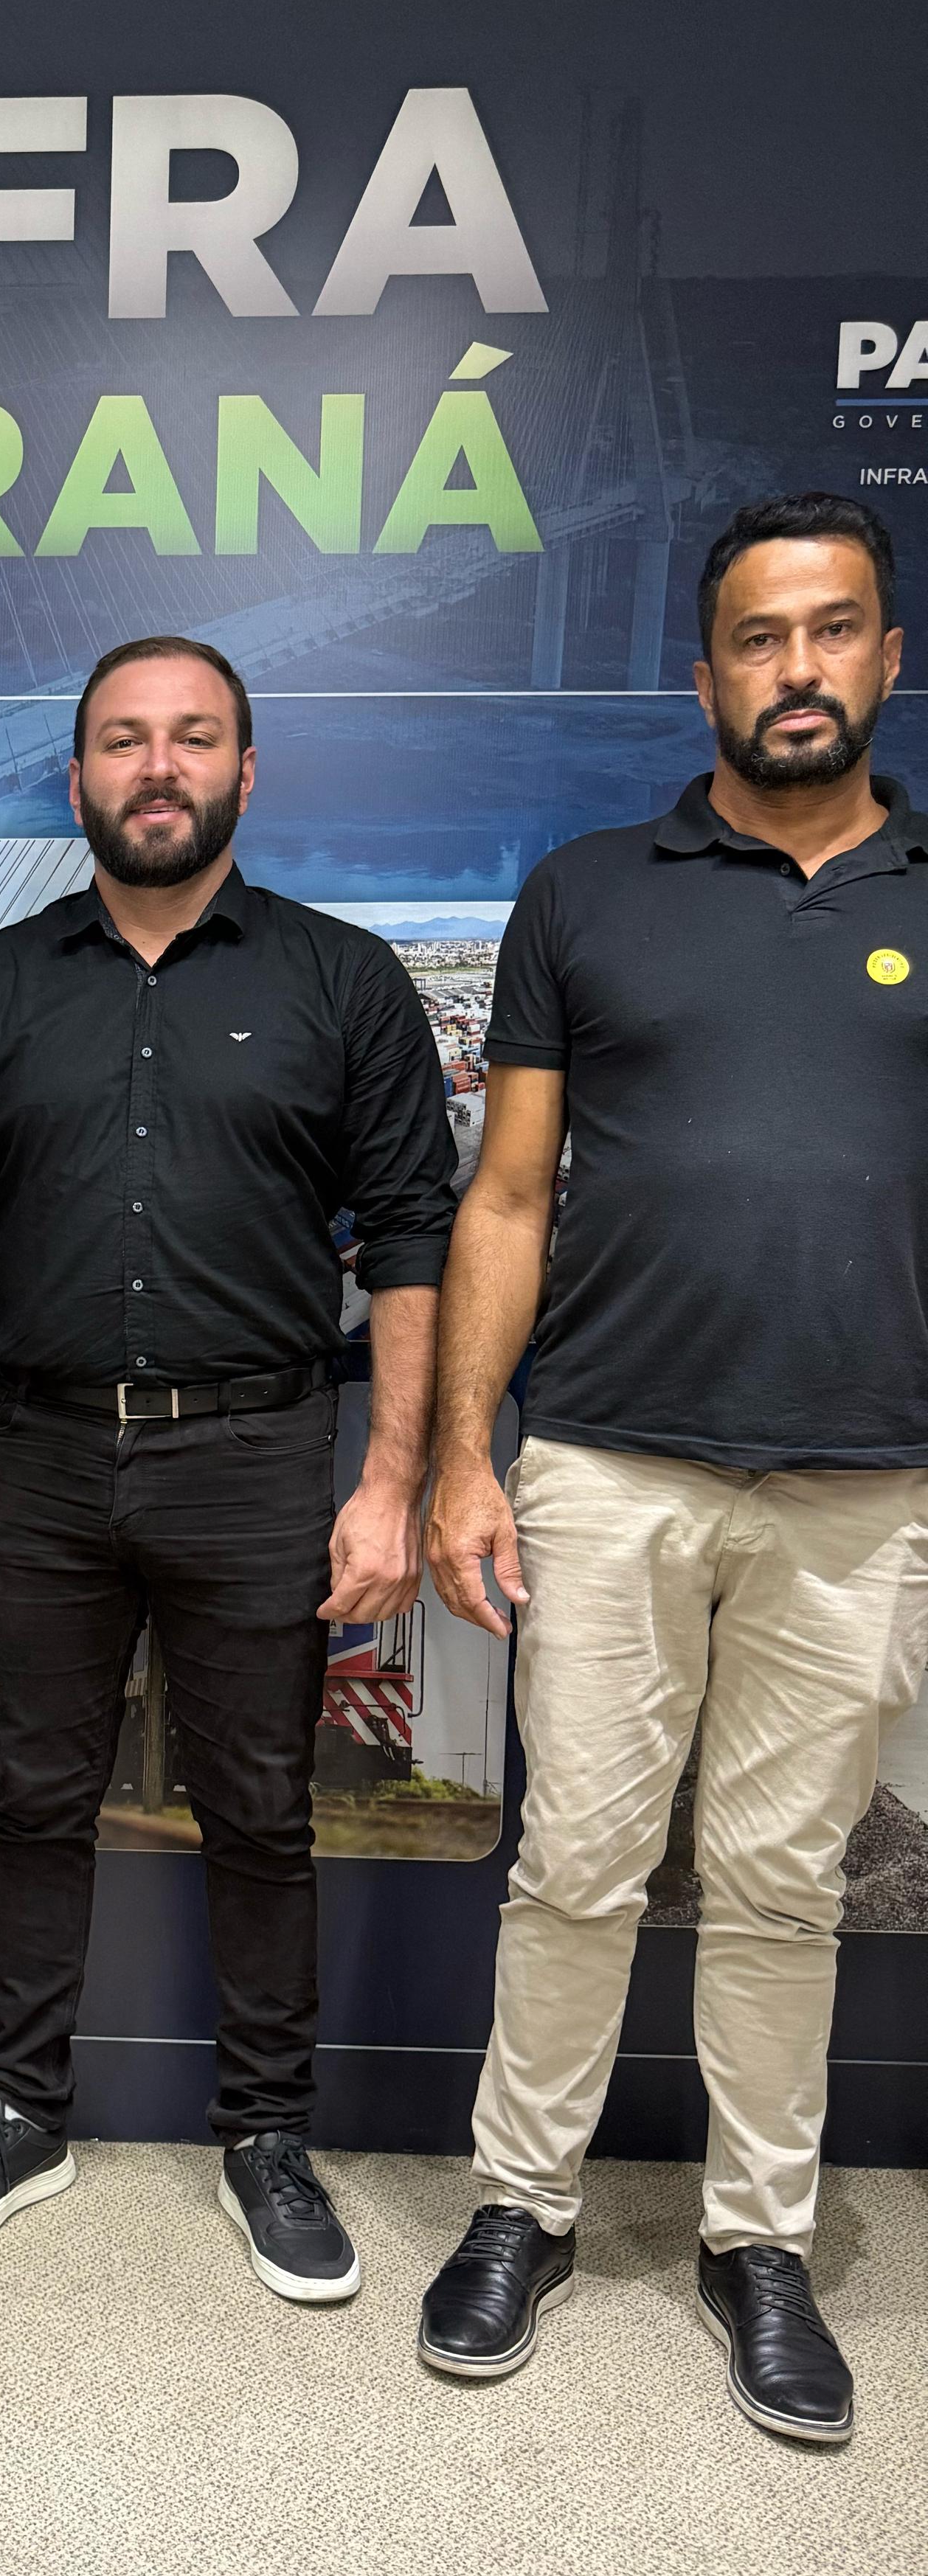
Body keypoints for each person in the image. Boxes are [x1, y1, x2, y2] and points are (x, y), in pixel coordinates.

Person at [420, 493, 921, 2444]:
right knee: (577, 1863)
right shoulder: (586, 892)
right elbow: (506, 1198)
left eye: (834, 629)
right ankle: (521, 2206)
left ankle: (758, 2241)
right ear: (704, 671)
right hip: (611, 1465)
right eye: (759, 638)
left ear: (887, 654)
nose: (798, 670)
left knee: (788, 1888)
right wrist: (465, 1458)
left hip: (865, 1486)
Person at [0, 636, 458, 2299]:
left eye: (193, 738)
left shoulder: (345, 981)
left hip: (260, 1452)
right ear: (76, 777)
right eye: (124, 740)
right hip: (41, 1450)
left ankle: (267, 2134)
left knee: (263, 1809)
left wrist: (390, 1482)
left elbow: (413, 1239)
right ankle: (20, 2113)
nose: (158, 766)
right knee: (36, 1796)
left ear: (244, 773)